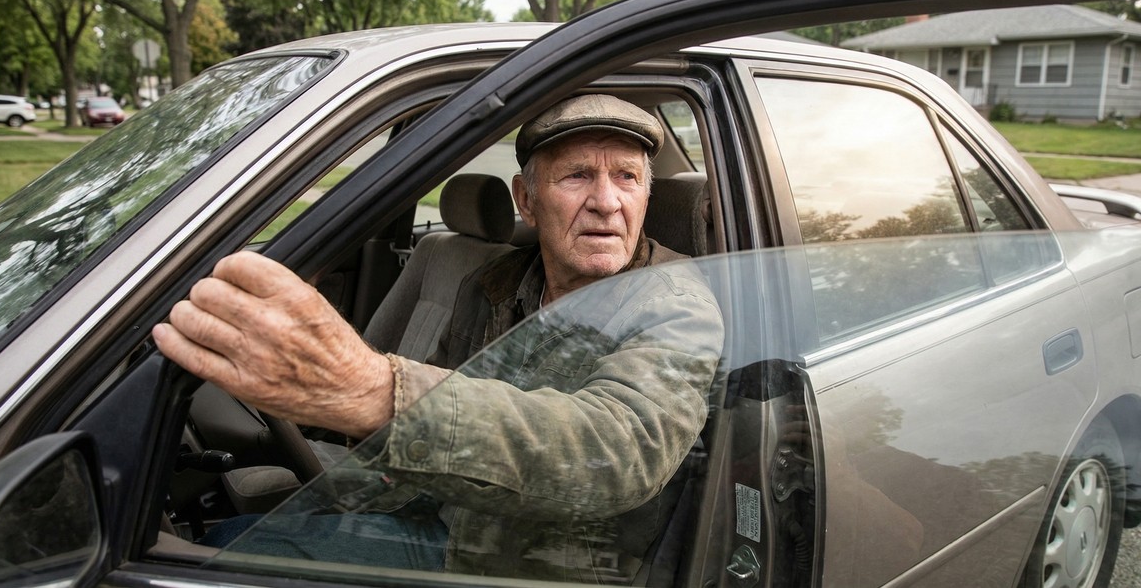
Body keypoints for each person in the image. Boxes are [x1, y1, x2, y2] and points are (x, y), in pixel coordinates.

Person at [153, 94, 725, 583]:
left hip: (535, 563)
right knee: (227, 541)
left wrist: (372, 389)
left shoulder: (675, 303)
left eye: (627, 177)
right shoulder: (494, 284)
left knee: (223, 563)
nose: (607, 200)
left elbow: (617, 451)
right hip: (437, 511)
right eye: (577, 176)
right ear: (526, 200)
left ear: (646, 197)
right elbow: (442, 398)